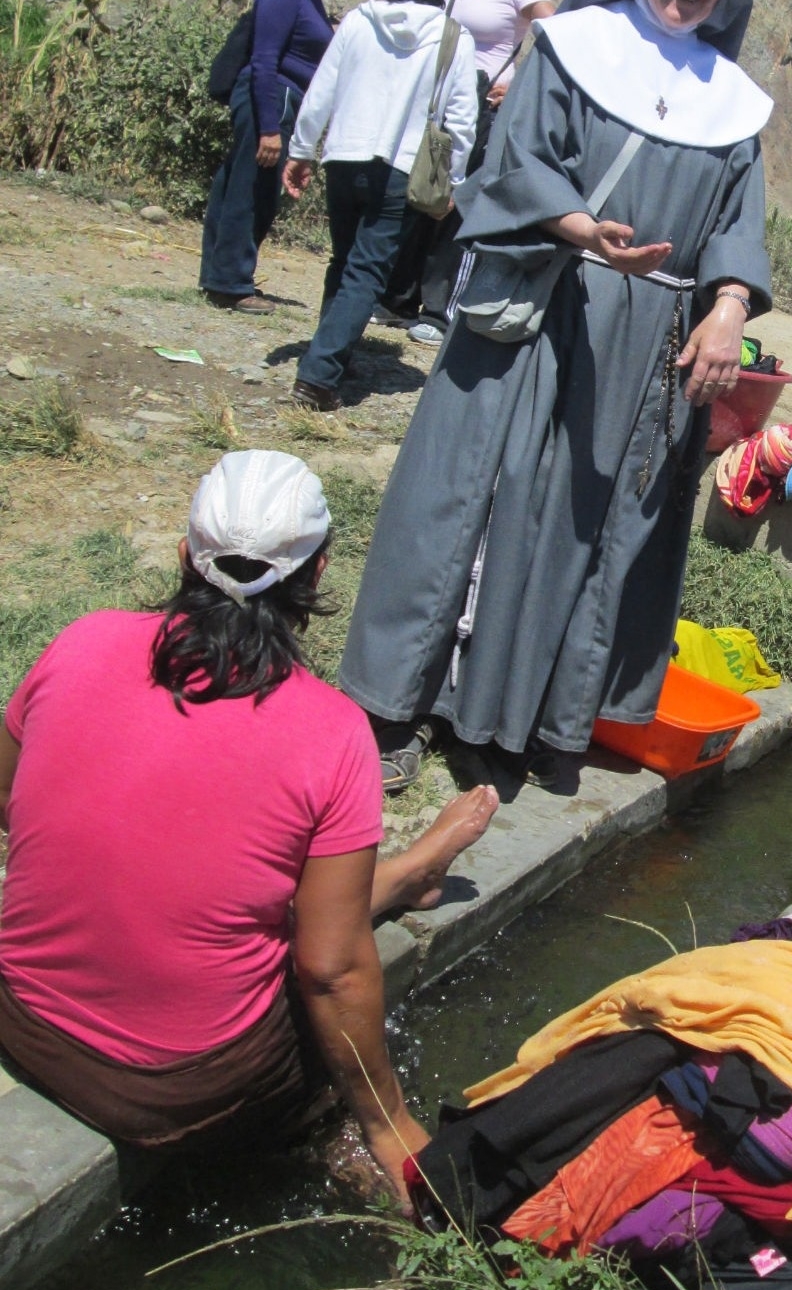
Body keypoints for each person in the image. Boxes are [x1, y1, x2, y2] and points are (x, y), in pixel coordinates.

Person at [337, 0, 773, 791]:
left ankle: (519, 722)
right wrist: (578, 226)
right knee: (476, 494)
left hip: (645, 341)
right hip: (545, 302)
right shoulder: (577, 47)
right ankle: (399, 709)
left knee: (585, 526)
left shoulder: (732, 107)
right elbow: (515, 158)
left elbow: (738, 224)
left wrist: (729, 304)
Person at [0, 452, 500, 1198]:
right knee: (326, 996)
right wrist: (390, 1121)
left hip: (20, 1017)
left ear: (183, 555)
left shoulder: (80, 639)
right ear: (320, 572)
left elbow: (13, 802)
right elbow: (330, 970)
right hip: (170, 1090)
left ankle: (400, 876)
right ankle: (344, 1152)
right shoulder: (333, 734)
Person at [282, 0, 479, 411]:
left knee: (343, 259)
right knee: (367, 271)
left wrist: (302, 150)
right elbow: (462, 120)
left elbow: (322, 89)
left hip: (345, 157)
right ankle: (319, 375)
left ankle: (334, 349)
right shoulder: (453, 37)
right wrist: (451, 181)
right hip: (402, 169)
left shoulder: (357, 23)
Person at [379, 0, 556, 349]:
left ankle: (438, 311)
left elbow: (555, 33)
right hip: (435, 98)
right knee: (419, 192)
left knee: (455, 205)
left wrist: (516, 84)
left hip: (479, 105)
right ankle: (396, 298)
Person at [200, 0, 351, 315]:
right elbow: (265, 59)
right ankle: (231, 283)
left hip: (276, 98)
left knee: (236, 183)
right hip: (273, 97)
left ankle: (219, 276)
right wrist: (269, 126)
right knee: (254, 190)